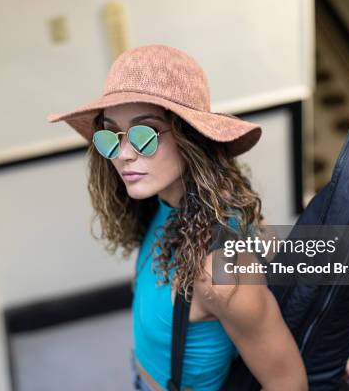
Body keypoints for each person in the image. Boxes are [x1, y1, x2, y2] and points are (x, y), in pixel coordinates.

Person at [46, 44, 308, 391]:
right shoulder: (168, 203)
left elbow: (288, 384)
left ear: (191, 138)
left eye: (144, 134)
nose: (123, 154)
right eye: (111, 135)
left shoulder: (220, 272)